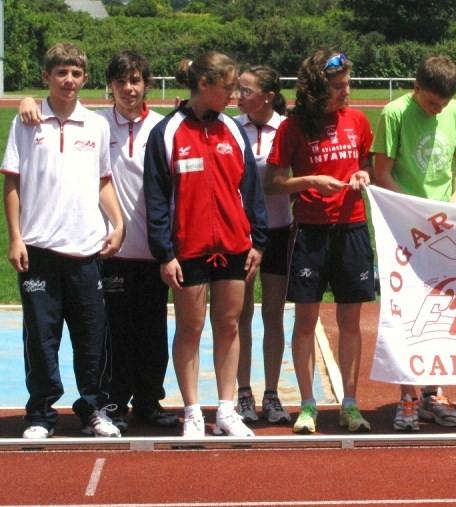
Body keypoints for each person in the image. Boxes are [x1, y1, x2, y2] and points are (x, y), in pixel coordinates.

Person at [18, 51, 179, 434]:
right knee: (111, 336)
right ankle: (111, 404)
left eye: (136, 80)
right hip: (108, 250)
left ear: (147, 85)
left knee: (153, 333)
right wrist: (28, 101)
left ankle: (149, 402)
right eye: (121, 81)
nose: (128, 88)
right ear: (108, 85)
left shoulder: (162, 128)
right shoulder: (98, 123)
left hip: (153, 248)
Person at [1, 42, 125, 438]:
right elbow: (12, 182)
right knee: (41, 337)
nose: (68, 80)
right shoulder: (27, 121)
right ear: (46, 77)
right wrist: (15, 238)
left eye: (75, 73)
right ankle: (40, 415)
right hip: (38, 248)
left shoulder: (97, 124)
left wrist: (117, 223)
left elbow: (103, 180)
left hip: (86, 249)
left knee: (91, 336)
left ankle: (94, 410)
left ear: (85, 78)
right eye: (61, 73)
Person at [144, 51, 269, 438]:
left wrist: (258, 241)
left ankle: (227, 410)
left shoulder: (232, 130)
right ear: (204, 85)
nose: (233, 95)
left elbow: (251, 191)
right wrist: (165, 253)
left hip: (234, 246)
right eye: (228, 87)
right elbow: (156, 199)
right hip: (189, 250)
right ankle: (193, 411)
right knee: (191, 328)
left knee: (229, 326)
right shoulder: (166, 132)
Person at [265, 51, 374, 434]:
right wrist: (311, 182)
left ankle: (350, 404)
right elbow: (272, 183)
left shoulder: (358, 121)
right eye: (338, 87)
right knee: (306, 320)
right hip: (310, 232)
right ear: (316, 90)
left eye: (347, 84)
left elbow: (368, 167)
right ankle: (308, 405)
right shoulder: (293, 127)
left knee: (350, 321)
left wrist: (362, 175)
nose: (347, 92)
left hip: (352, 229)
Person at [372, 55, 456, 431]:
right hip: (404, 226)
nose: (437, 111)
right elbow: (382, 173)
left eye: (443, 105)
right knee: (406, 311)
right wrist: (416, 212)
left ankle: (433, 392)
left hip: (444, 227)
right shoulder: (394, 114)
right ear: (416, 89)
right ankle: (407, 398)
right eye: (431, 103)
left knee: (442, 311)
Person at [234, 65, 293, 425]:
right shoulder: (230, 127)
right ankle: (243, 394)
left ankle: (271, 395)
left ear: (267, 96)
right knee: (240, 315)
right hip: (240, 234)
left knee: (273, 314)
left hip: (280, 230)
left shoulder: (287, 128)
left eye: (245, 90)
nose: (238, 96)